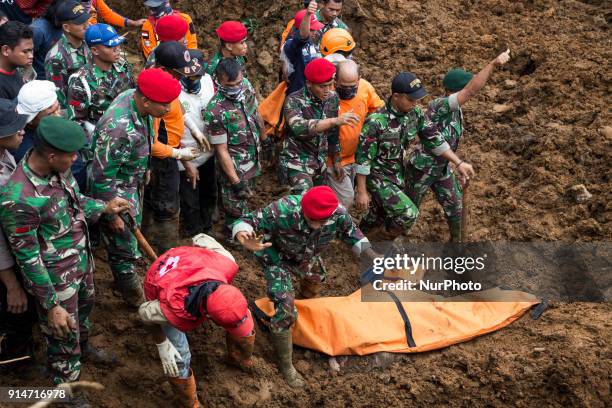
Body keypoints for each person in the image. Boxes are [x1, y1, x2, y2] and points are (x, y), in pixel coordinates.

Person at [0, 116, 129, 400]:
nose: (75, 159)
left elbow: (75, 200)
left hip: (80, 263)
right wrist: (51, 305)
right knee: (62, 336)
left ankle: (82, 349)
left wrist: (104, 207)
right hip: (55, 281)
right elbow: (28, 258)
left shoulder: (58, 170)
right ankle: (67, 390)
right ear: (51, 155)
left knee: (81, 319)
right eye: (71, 155)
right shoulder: (18, 198)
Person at [232, 185, 377, 387]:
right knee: (284, 307)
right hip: (278, 258)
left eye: (322, 221)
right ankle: (285, 364)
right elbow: (245, 221)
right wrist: (243, 237)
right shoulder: (283, 209)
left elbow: (354, 235)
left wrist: (375, 258)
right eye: (311, 221)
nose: (317, 226)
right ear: (303, 211)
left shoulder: (339, 213)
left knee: (316, 280)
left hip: (308, 258)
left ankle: (304, 314)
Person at [88, 68, 181, 306]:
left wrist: (145, 168)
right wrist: (111, 215)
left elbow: (145, 135)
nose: (169, 109)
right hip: (115, 192)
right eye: (164, 105)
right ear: (146, 101)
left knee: (129, 236)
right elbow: (100, 177)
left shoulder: (136, 100)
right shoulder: (117, 128)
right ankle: (133, 295)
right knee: (124, 245)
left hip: (131, 181)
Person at [404, 50, 511, 241]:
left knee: (455, 207)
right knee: (406, 213)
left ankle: (456, 248)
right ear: (454, 91)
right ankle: (388, 249)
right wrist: (493, 64)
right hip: (421, 169)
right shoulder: (440, 105)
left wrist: (457, 165)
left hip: (442, 168)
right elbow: (471, 90)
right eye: (464, 89)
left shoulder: (457, 111)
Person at [139, 234, 255, 408]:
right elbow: (144, 312)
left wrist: (192, 254)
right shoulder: (175, 309)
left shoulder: (227, 263)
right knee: (179, 357)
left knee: (243, 325)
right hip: (159, 279)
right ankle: (188, 402)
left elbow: (200, 238)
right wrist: (162, 343)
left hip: (185, 260)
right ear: (208, 317)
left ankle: (239, 358)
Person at [141, 41, 203, 255]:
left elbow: (176, 109)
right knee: (165, 204)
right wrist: (179, 154)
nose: (182, 78)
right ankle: (165, 250)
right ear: (163, 69)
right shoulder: (154, 94)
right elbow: (151, 143)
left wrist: (193, 128)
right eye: (178, 74)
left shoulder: (167, 86)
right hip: (161, 158)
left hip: (171, 152)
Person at [355, 72, 432, 239]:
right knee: (408, 214)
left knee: (378, 214)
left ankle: (357, 240)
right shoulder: (376, 122)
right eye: (410, 100)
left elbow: (433, 137)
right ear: (396, 96)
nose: (415, 104)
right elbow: (363, 159)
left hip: (397, 174)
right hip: (376, 177)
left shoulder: (415, 114)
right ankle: (378, 241)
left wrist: (457, 162)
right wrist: (361, 191)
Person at [203, 58, 263, 242]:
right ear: (219, 81)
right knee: (235, 210)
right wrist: (236, 182)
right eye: (230, 84)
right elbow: (221, 150)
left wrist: (265, 139)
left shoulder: (245, 88)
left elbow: (255, 112)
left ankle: (244, 232)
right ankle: (235, 240)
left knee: (247, 204)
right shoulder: (215, 111)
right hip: (233, 169)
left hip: (253, 160)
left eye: (238, 82)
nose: (236, 87)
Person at [280, 57, 358, 194]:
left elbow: (333, 133)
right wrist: (334, 121)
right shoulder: (293, 100)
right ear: (309, 83)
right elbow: (299, 128)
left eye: (330, 84)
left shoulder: (332, 98)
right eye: (322, 86)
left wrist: (336, 160)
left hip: (319, 163)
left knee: (318, 201)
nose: (327, 90)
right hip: (297, 162)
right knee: (303, 198)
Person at [0, 98, 36, 367]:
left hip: (15, 253)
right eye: (15, 127)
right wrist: (11, 286)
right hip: (4, 268)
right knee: (14, 311)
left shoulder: (6, 154)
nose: (22, 130)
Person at [326, 59, 384, 208]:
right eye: (344, 86)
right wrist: (335, 159)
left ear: (359, 79)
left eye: (353, 86)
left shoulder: (365, 88)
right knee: (345, 199)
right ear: (335, 80)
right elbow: (328, 131)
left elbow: (378, 112)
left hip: (357, 155)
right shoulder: (327, 94)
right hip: (333, 159)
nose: (348, 90)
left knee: (345, 197)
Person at [177, 49, 216, 237]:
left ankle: (208, 229)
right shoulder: (174, 92)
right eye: (189, 77)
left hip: (209, 152)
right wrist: (186, 163)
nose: (194, 80)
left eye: (197, 76)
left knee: (209, 194)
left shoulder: (208, 81)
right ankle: (195, 234)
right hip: (186, 157)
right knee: (190, 201)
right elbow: (168, 132)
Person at [67, 23, 134, 133]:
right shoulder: (80, 81)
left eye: (118, 44)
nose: (117, 49)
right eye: (110, 46)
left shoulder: (123, 66)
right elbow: (76, 124)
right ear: (95, 50)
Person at [44, 0, 91, 109]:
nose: (87, 26)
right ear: (66, 27)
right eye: (80, 23)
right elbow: (60, 99)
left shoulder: (88, 43)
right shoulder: (56, 58)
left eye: (86, 21)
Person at [12, 79, 61, 162]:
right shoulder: (27, 151)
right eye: (50, 114)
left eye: (58, 107)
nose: (58, 116)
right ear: (30, 119)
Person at [282, 2, 323, 94]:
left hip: (312, 94)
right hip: (298, 98)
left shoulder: (312, 42)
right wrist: (308, 14)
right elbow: (303, 36)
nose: (315, 32)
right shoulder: (292, 45)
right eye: (312, 29)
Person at [0, 21, 34, 100]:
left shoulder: (22, 67)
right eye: (25, 52)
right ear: (6, 50)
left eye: (32, 50)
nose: (31, 56)